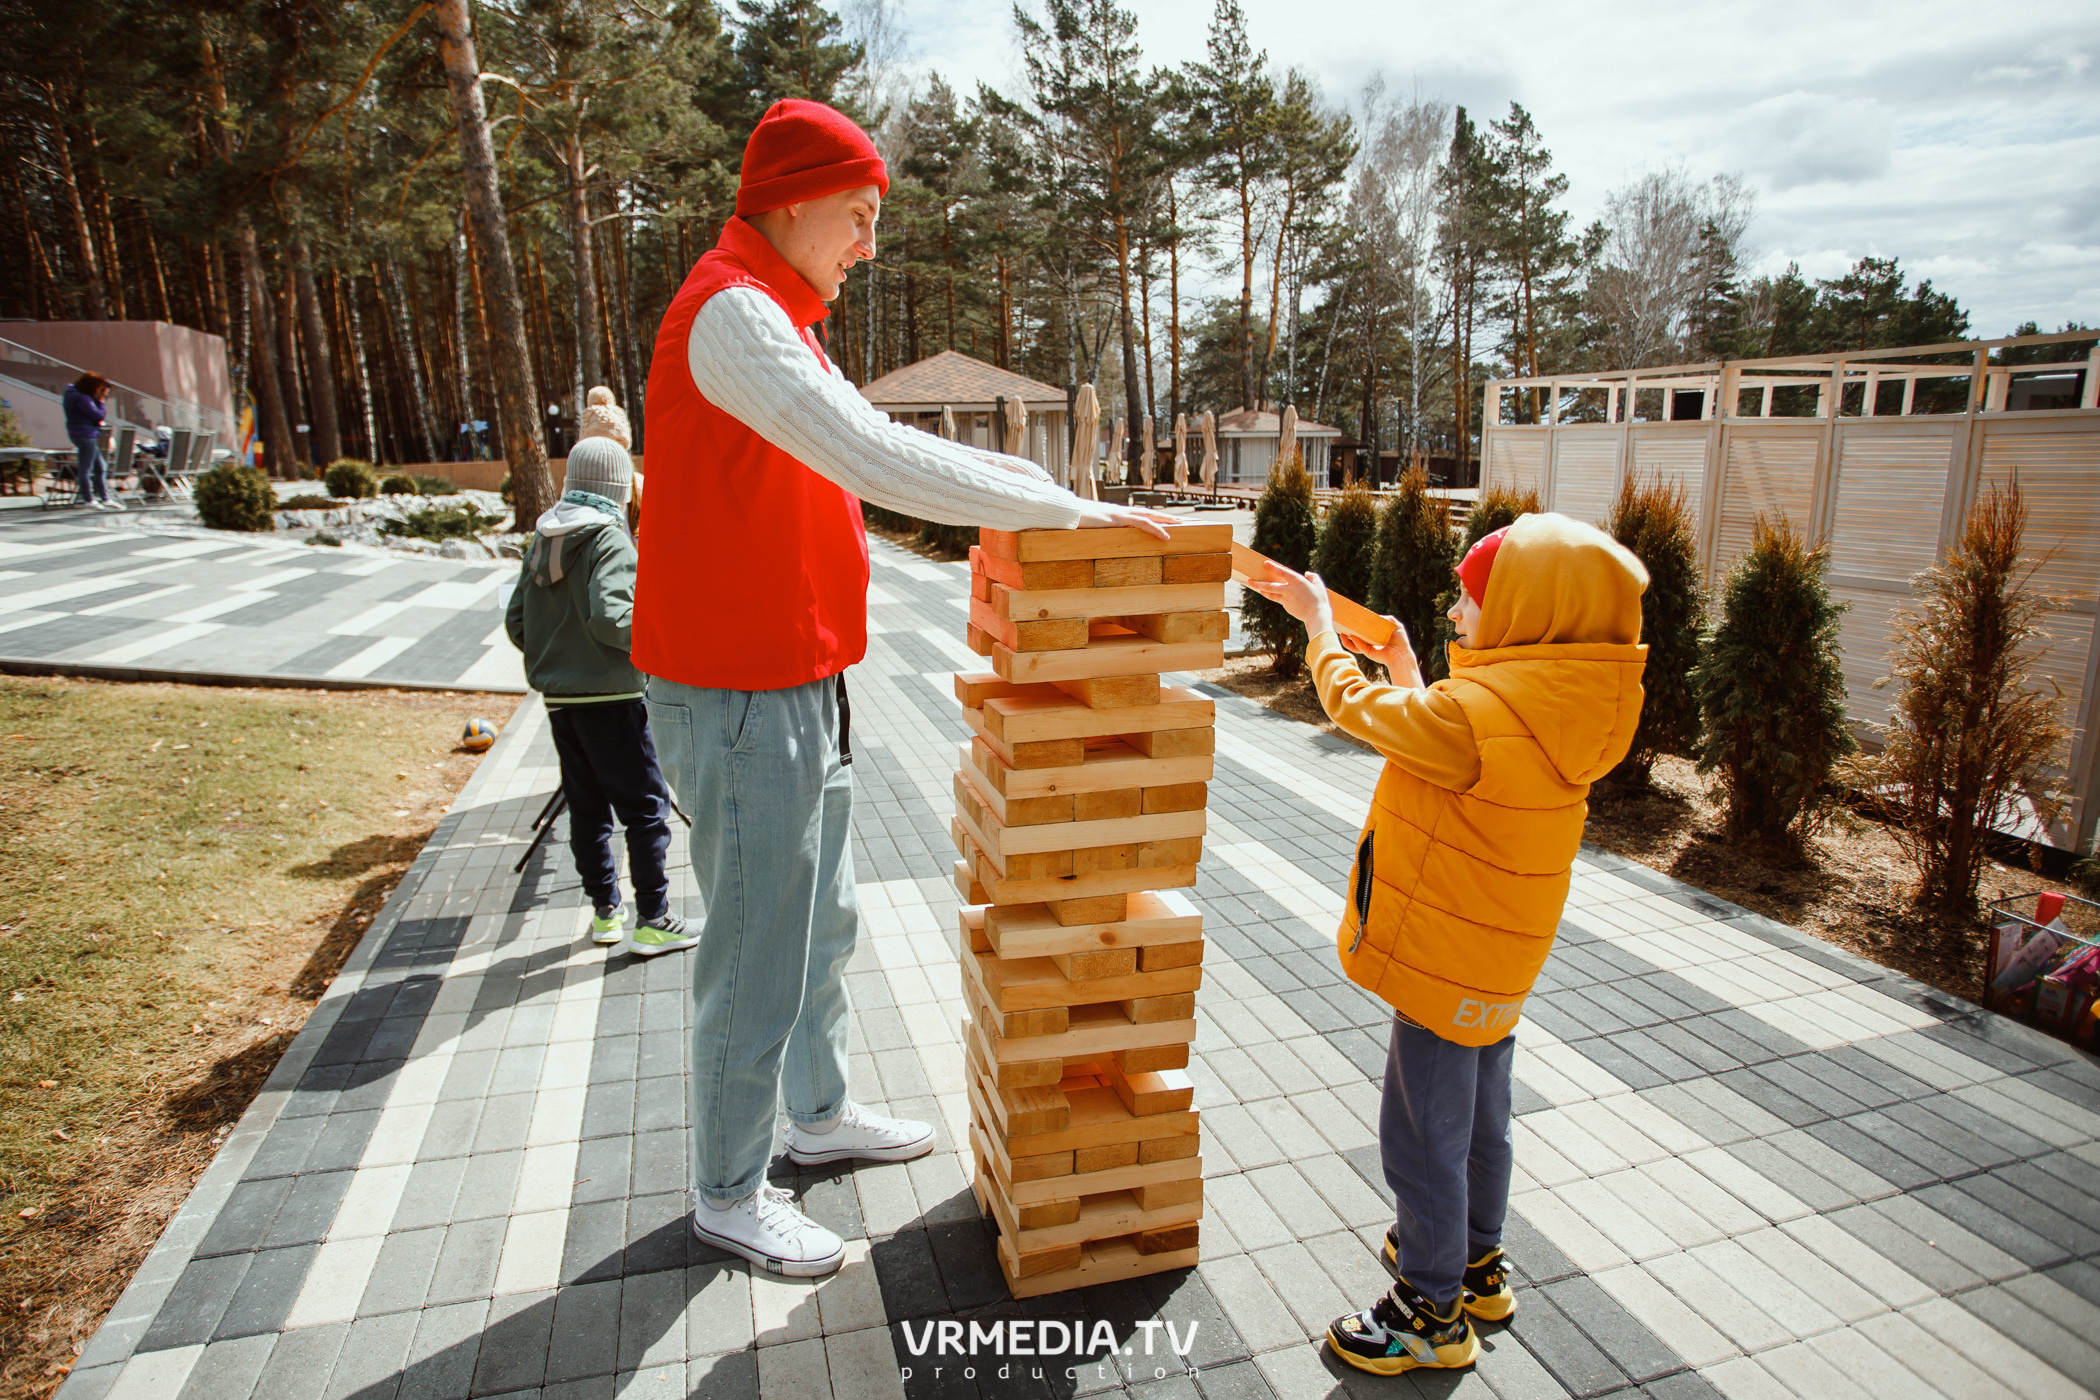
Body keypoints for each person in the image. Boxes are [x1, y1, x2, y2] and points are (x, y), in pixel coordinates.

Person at [634, 98, 1177, 1277]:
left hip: (798, 674)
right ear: (791, 201)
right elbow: (876, 454)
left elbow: (850, 449)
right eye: (859, 214)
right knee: (758, 946)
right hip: (739, 686)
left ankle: (818, 1113)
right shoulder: (732, 313)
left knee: (819, 920)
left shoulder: (779, 313)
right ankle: (728, 1189)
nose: (870, 244)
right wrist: (1060, 504)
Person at [1245, 514, 1648, 1375]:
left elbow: (1357, 709)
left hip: (1443, 962)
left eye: (1470, 600)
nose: (1456, 612)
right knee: (1484, 1121)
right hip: (1499, 965)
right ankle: (1476, 1263)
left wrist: (1320, 626)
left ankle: (1427, 1312)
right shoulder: (1561, 707)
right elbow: (1461, 740)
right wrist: (1404, 666)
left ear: (1525, 616)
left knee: (1422, 1137)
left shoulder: (1477, 717)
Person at [505, 392, 696, 960]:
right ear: (619, 487)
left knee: (587, 809)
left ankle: (606, 914)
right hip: (613, 697)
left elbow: (517, 621)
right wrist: (658, 649)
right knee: (645, 809)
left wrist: (556, 656)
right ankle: (654, 919)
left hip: (560, 701)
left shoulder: (545, 536)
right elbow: (612, 616)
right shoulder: (609, 537)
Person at [64, 373, 117, 511]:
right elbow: (98, 416)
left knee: (100, 466)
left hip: (80, 433)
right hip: (86, 434)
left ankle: (104, 498)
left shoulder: (71, 394)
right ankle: (89, 499)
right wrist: (101, 400)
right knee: (86, 469)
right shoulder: (83, 398)